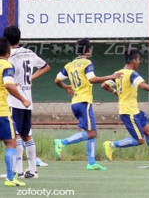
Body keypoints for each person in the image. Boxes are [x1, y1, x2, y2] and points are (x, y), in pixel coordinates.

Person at [54, 38, 121, 171]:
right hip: (84, 102)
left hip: (75, 103)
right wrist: (111, 76)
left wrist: (66, 87)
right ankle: (62, 142)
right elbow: (92, 79)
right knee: (92, 133)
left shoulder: (70, 65)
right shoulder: (87, 63)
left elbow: (57, 80)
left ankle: (91, 163)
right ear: (89, 50)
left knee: (90, 132)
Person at [101, 48, 149, 164]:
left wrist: (114, 91)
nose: (139, 62)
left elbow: (104, 85)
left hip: (134, 110)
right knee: (139, 140)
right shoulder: (132, 74)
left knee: (148, 131)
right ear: (134, 60)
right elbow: (143, 86)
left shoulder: (119, 73)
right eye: (139, 60)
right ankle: (111, 145)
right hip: (128, 112)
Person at [3, 25, 50, 179]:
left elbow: (8, 81)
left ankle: (18, 170)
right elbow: (46, 67)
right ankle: (33, 170)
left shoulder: (8, 56)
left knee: (15, 135)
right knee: (26, 135)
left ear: (5, 39)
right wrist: (31, 78)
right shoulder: (29, 53)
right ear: (20, 38)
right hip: (28, 97)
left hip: (14, 99)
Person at [0, 37, 31, 187]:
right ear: (8, 51)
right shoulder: (6, 64)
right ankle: (11, 178)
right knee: (11, 143)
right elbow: (8, 85)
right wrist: (23, 99)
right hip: (2, 112)